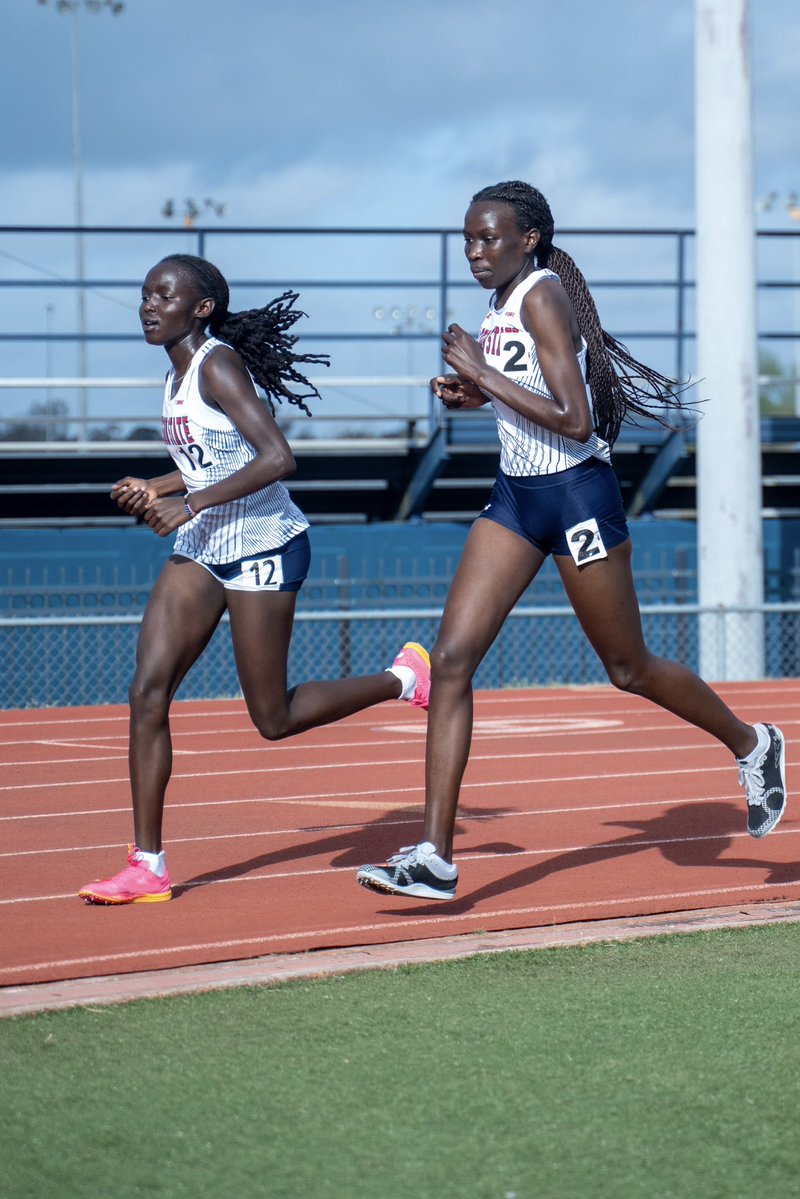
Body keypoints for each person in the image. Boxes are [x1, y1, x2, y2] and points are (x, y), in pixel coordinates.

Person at [357, 180, 787, 901]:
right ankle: (435, 853)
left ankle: (752, 742)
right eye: (467, 239)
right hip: (518, 498)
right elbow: (526, 393)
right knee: (453, 661)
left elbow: (577, 419)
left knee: (627, 666)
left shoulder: (542, 295)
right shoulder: (501, 303)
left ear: (529, 239)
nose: (474, 252)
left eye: (489, 238)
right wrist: (475, 392)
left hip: (577, 496)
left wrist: (481, 371)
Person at [79, 253, 430, 904]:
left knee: (273, 717)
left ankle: (404, 677)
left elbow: (277, 456)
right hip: (206, 544)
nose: (148, 304)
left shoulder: (216, 363)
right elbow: (213, 460)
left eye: (163, 293)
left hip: (264, 543)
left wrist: (188, 502)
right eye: (144, 293)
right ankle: (147, 864)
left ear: (201, 307)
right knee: (147, 690)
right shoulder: (176, 372)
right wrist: (153, 484)